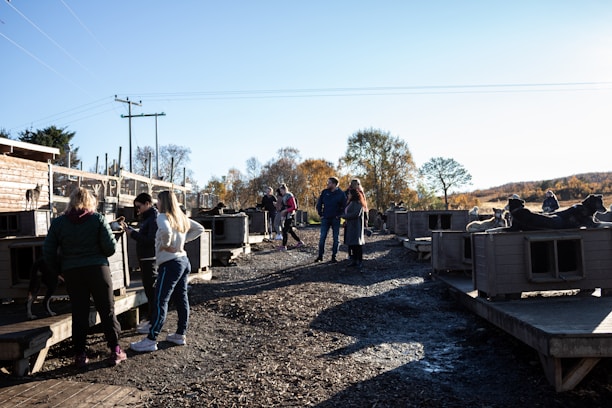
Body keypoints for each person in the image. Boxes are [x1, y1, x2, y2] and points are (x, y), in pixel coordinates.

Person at [43, 187, 127, 368]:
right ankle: (115, 350)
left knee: (79, 312)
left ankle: (80, 355)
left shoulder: (58, 223)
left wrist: (58, 270)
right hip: (98, 270)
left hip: (72, 272)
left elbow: (48, 250)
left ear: (71, 201)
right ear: (91, 201)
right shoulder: (97, 219)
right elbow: (110, 248)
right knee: (107, 310)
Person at [130, 190, 205, 352]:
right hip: (183, 261)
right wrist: (182, 243)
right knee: (181, 298)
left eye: (158, 200)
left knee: (160, 300)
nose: (156, 203)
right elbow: (199, 229)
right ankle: (180, 334)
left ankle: (151, 339)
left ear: (163, 202)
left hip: (170, 263)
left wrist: (167, 244)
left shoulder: (162, 217)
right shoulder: (180, 217)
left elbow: (165, 231)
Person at [122, 193, 158, 334]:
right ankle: (151, 320)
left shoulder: (153, 218)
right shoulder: (149, 217)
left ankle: (153, 322)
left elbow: (150, 240)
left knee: (151, 291)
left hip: (150, 258)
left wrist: (133, 234)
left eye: (139, 206)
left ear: (148, 203)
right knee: (149, 290)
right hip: (146, 258)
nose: (137, 210)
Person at [315, 177, 346, 263]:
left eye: (329, 183)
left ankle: (334, 256)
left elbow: (344, 206)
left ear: (334, 184)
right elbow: (319, 203)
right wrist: (320, 214)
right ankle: (320, 255)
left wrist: (339, 215)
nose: (327, 184)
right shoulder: (325, 192)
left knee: (336, 238)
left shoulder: (341, 194)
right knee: (322, 237)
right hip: (325, 217)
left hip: (335, 218)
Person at [342, 188, 366, 268]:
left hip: (356, 226)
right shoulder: (350, 203)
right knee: (352, 245)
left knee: (357, 245)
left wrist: (344, 216)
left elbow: (355, 214)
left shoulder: (357, 203)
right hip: (350, 226)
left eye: (349, 194)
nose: (348, 195)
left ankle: (359, 261)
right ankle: (354, 260)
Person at [277, 183, 305, 251]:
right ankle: (299, 242)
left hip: (290, 215)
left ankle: (284, 245)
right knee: (290, 230)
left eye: (281, 191)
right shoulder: (285, 196)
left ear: (284, 190)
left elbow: (294, 206)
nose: (281, 192)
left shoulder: (289, 196)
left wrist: (285, 211)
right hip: (287, 214)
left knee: (285, 230)